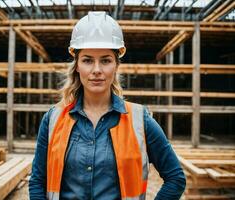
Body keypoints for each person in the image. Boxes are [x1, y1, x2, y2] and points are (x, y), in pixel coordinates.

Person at [29, 11, 186, 200]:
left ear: (116, 65)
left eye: (105, 60)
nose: (97, 70)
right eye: (87, 60)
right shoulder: (53, 119)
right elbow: (37, 181)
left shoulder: (139, 119)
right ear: (77, 65)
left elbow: (175, 178)